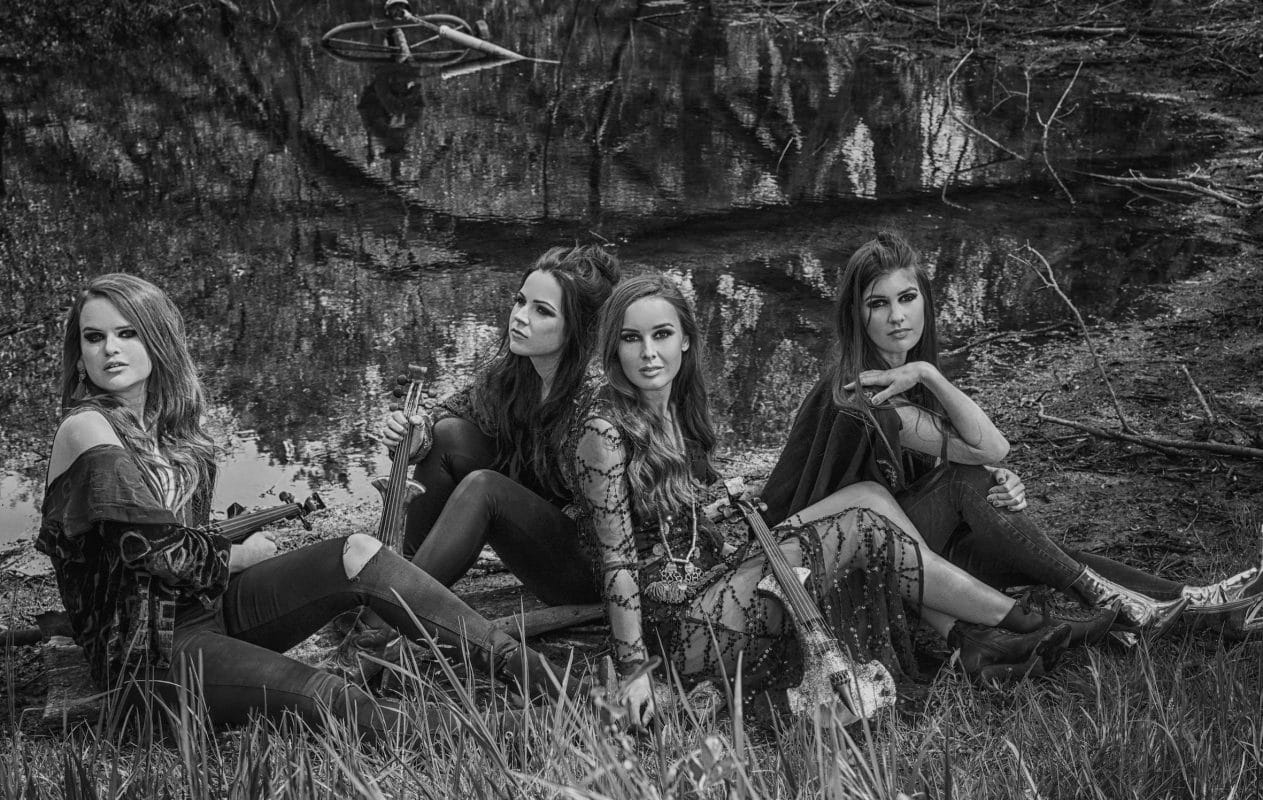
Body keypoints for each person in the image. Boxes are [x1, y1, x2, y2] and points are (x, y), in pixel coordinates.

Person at [36, 273, 574, 741]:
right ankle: (513, 732)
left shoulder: (169, 429)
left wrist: (227, 559)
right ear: (78, 354)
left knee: (357, 553)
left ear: (157, 339)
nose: (110, 350)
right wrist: (241, 555)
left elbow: (184, 545)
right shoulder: (86, 428)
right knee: (325, 693)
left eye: (127, 333)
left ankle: (535, 676)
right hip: (148, 653)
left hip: (208, 608)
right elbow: (156, 551)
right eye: (94, 337)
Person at [568, 273, 1101, 728]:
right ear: (614, 348)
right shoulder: (605, 432)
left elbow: (670, 527)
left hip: (709, 588)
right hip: (680, 631)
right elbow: (618, 566)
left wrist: (714, 521)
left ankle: (974, 636)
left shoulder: (674, 411)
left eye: (661, 334)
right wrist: (634, 671)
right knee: (860, 529)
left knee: (867, 497)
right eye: (632, 339)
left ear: (685, 340)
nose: (649, 353)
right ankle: (1025, 625)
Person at [760, 231, 1261, 636]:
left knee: (1048, 557)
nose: (897, 316)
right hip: (867, 566)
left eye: (907, 298)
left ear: (924, 301)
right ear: (857, 314)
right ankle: (1116, 598)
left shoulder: (903, 378)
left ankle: (1201, 605)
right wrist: (932, 378)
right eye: (878, 303)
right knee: (972, 486)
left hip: (919, 548)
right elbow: (991, 448)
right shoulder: (863, 390)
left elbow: (972, 457)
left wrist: (989, 466)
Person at [381, 245, 619, 606]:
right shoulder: (514, 375)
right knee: (448, 435)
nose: (520, 317)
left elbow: (611, 523)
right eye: (520, 301)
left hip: (591, 568)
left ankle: (391, 609)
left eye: (542, 311)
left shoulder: (597, 399)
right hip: (540, 531)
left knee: (485, 487)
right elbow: (448, 416)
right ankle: (402, 571)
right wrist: (414, 436)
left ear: (577, 328)